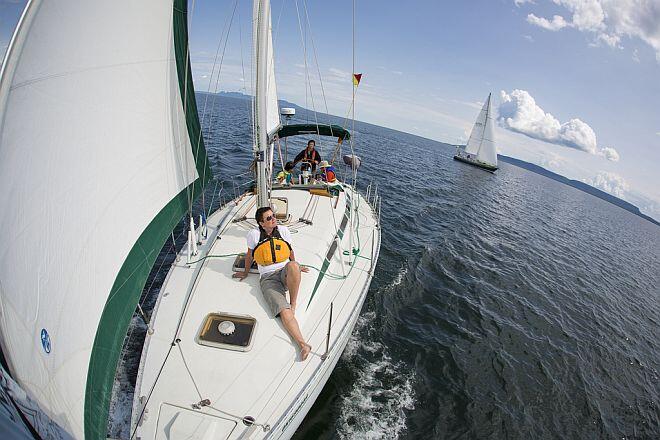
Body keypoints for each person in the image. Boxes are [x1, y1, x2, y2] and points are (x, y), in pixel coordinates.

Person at [232, 206, 312, 361]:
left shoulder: (283, 231)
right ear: (261, 223)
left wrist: (296, 268)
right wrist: (246, 272)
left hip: (284, 271)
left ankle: (293, 303)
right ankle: (303, 344)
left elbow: (290, 252)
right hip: (268, 278)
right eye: (269, 218)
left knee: (294, 265)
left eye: (273, 216)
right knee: (284, 312)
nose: (273, 219)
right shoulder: (254, 235)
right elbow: (249, 256)